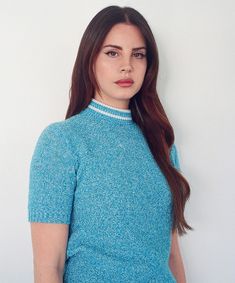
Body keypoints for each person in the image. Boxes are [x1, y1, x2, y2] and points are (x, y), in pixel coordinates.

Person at [28, 5, 193, 283]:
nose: (126, 65)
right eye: (112, 52)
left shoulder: (163, 144)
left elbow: (171, 255)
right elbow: (48, 267)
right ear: (89, 59)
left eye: (138, 54)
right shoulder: (62, 142)